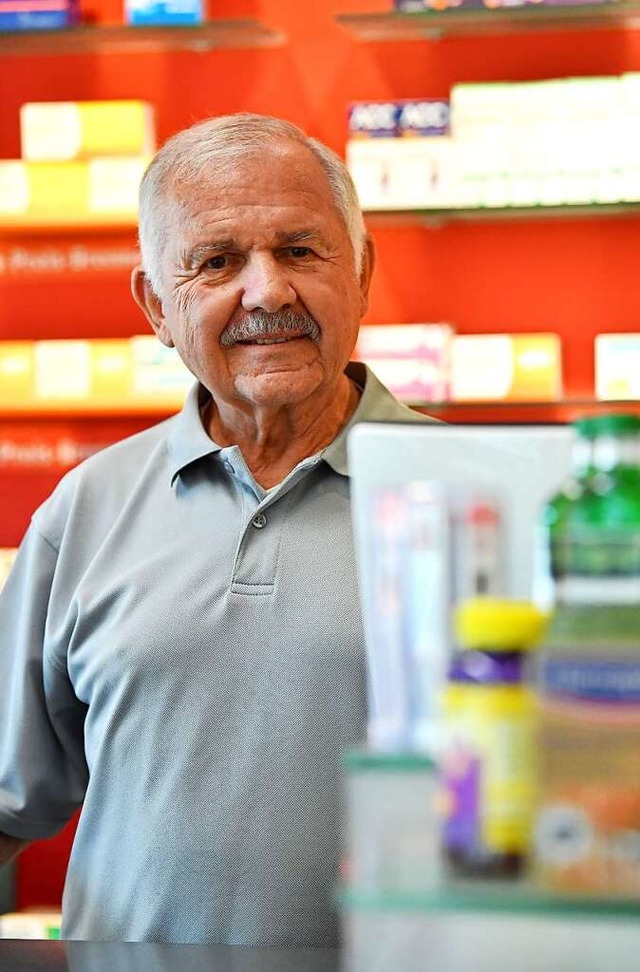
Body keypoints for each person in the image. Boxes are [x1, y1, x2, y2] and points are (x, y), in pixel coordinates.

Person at [0, 114, 431, 945]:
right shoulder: (89, 507)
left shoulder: (478, 501)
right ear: (157, 306)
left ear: (364, 274)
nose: (267, 292)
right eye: (217, 262)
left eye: (301, 250)